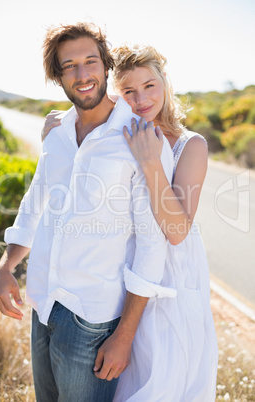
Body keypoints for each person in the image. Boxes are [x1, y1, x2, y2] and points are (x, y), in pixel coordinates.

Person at [0, 24, 175, 402]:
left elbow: (152, 245)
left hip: (93, 321)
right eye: (69, 65)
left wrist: (123, 337)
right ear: (56, 75)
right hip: (43, 303)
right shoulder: (57, 132)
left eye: (91, 61)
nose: (82, 74)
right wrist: (5, 266)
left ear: (106, 66)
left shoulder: (138, 138)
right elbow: (35, 203)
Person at [43, 44, 218, 401]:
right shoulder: (115, 133)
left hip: (169, 281)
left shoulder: (189, 145)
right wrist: (61, 122)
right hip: (124, 278)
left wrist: (151, 162)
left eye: (149, 85)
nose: (141, 99)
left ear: (164, 82)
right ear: (115, 93)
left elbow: (177, 232)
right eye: (129, 91)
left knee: (157, 383)